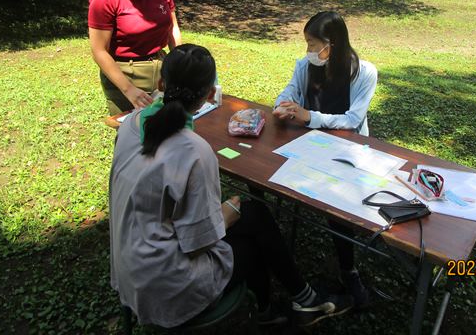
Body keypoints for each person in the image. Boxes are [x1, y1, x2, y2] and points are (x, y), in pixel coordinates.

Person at [109, 43, 352, 329]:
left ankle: (286, 303)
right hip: (167, 287)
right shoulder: (194, 151)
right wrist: (225, 214)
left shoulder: (130, 124)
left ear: (161, 83)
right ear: (210, 95)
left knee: (257, 216)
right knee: (252, 241)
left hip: (127, 267)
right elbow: (199, 242)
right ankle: (282, 307)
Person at [273, 11, 378, 310]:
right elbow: (290, 91)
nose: (308, 51)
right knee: (269, 173)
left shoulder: (364, 73)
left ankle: (348, 268)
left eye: (311, 44)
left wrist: (309, 116)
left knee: (337, 202)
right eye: (306, 44)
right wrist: (283, 104)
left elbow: (353, 120)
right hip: (309, 144)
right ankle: (277, 246)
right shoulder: (305, 65)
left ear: (330, 45)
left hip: (348, 149)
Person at [88, 0, 182, 116]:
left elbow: (172, 26)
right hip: (125, 75)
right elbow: (99, 51)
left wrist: (180, 61)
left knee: (165, 133)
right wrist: (128, 89)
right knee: (131, 137)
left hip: (161, 68)